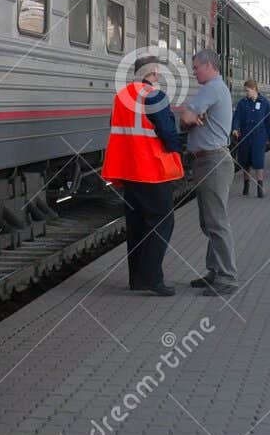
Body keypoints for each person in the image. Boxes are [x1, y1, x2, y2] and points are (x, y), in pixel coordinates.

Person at [100, 54, 183, 296]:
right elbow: (168, 132)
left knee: (136, 223)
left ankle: (136, 278)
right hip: (151, 170)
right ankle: (152, 279)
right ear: (153, 73)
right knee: (162, 221)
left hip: (127, 170)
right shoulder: (154, 96)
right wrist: (176, 147)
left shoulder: (120, 97)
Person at [179, 49, 237, 296]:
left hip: (212, 161)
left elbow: (187, 117)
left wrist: (187, 113)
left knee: (216, 222)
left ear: (208, 66)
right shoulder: (216, 89)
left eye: (196, 67)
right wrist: (190, 114)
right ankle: (215, 270)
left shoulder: (212, 88)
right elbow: (190, 116)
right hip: (209, 161)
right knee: (209, 221)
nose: (194, 72)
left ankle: (227, 277)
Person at [231, 80, 270, 198]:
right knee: (245, 162)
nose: (246, 93)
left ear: (254, 89)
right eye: (245, 91)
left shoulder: (264, 103)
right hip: (245, 137)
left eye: (247, 91)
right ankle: (246, 185)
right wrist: (235, 128)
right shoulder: (242, 103)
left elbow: (269, 122)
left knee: (258, 162)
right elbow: (237, 117)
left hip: (259, 137)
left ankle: (260, 186)